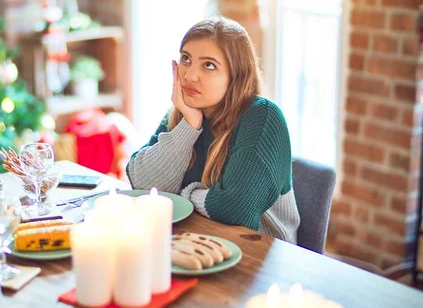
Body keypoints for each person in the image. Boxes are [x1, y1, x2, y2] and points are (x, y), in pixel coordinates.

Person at [126, 16, 300, 243]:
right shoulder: (184, 111)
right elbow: (142, 184)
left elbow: (236, 209)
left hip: (263, 256)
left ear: (236, 75)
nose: (189, 75)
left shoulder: (263, 116)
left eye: (209, 65)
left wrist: (183, 195)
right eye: (186, 59)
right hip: (199, 241)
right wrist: (189, 126)